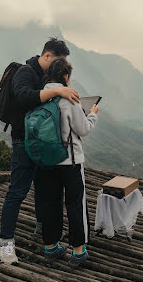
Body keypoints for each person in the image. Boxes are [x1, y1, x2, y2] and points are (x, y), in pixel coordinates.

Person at [0, 38, 81, 264]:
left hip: (44, 143)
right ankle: (5, 244)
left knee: (45, 190)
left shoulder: (48, 79)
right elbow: (24, 96)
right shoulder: (25, 72)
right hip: (24, 142)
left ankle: (43, 230)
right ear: (46, 56)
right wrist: (60, 92)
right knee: (17, 191)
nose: (59, 68)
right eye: (58, 61)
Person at [38, 58, 98, 267]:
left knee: (50, 203)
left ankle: (50, 247)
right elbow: (83, 129)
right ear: (65, 76)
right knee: (75, 204)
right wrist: (92, 115)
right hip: (70, 162)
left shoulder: (40, 96)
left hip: (45, 161)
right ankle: (78, 251)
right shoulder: (70, 98)